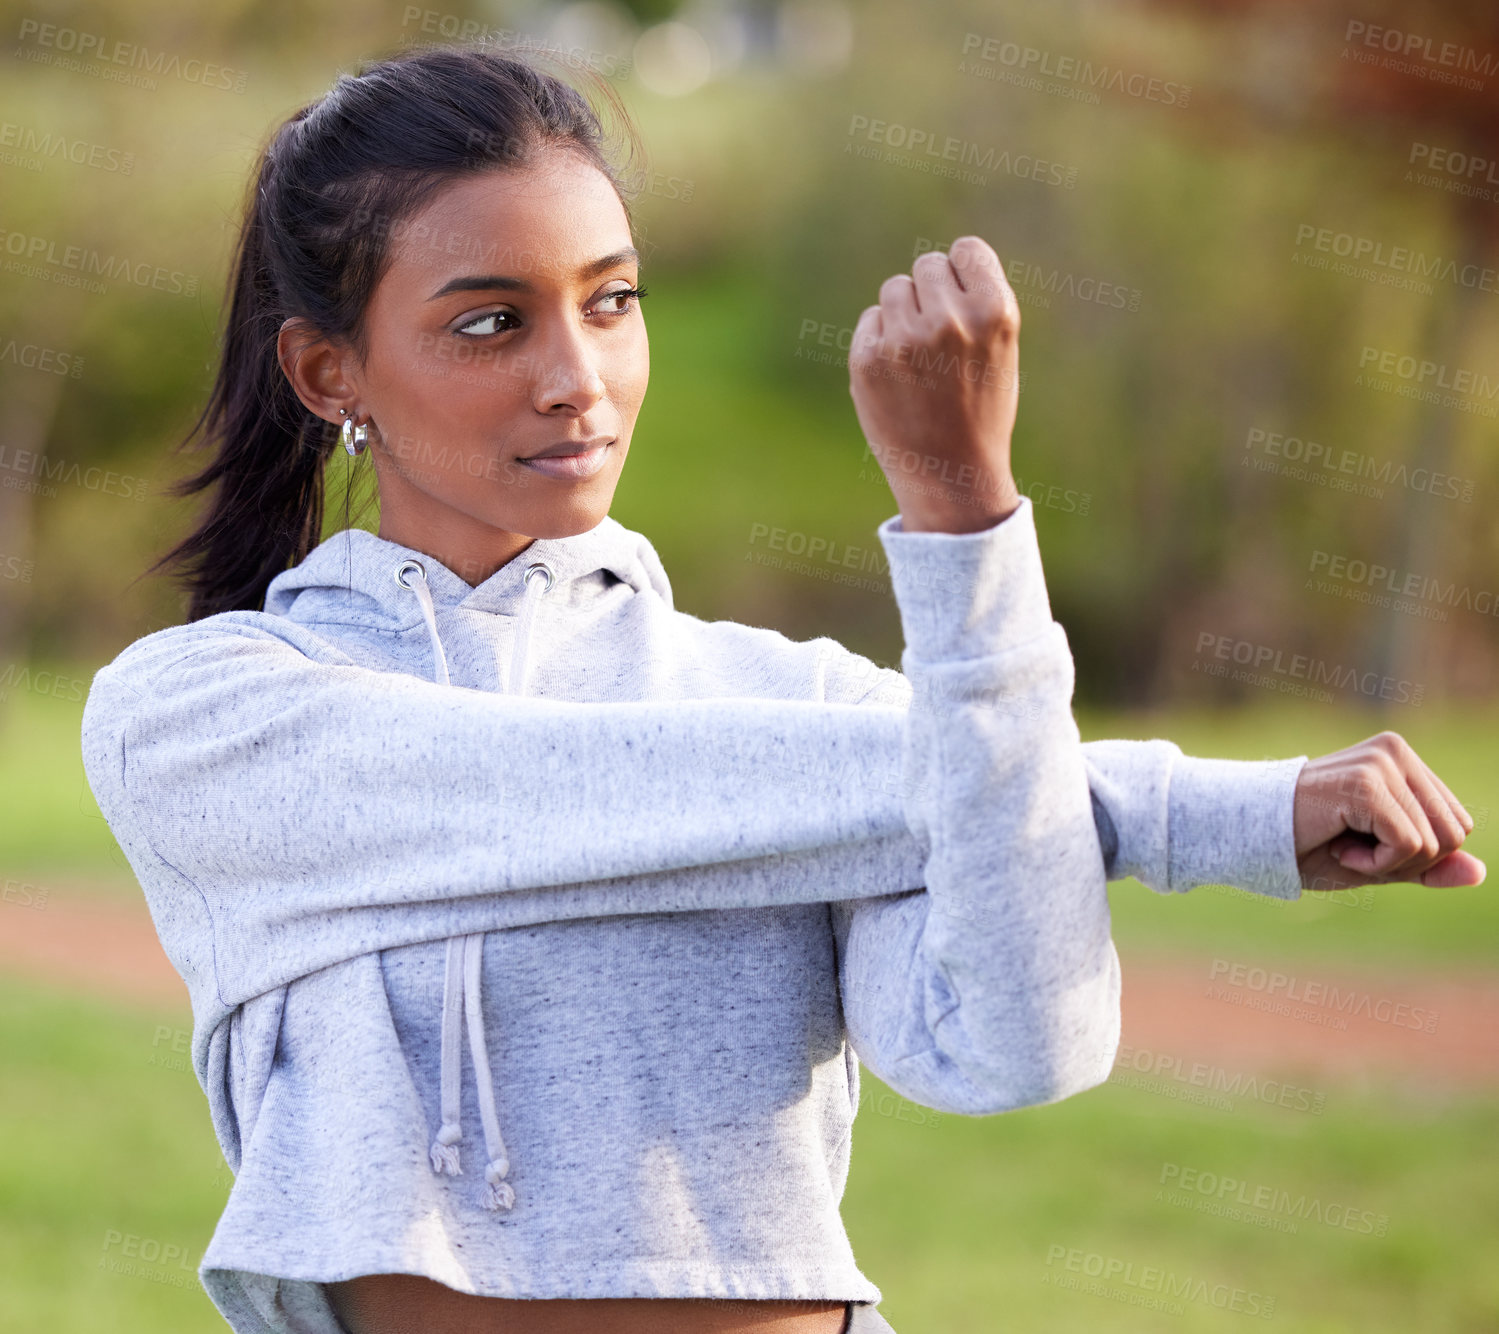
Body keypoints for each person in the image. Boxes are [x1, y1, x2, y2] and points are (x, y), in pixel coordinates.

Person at [79, 40, 1482, 1334]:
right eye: (492, 323)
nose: (582, 377)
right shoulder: (207, 715)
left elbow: (1022, 1045)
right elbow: (578, 796)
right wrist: (1181, 809)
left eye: (613, 300)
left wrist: (964, 519)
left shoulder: (801, 706)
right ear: (330, 370)